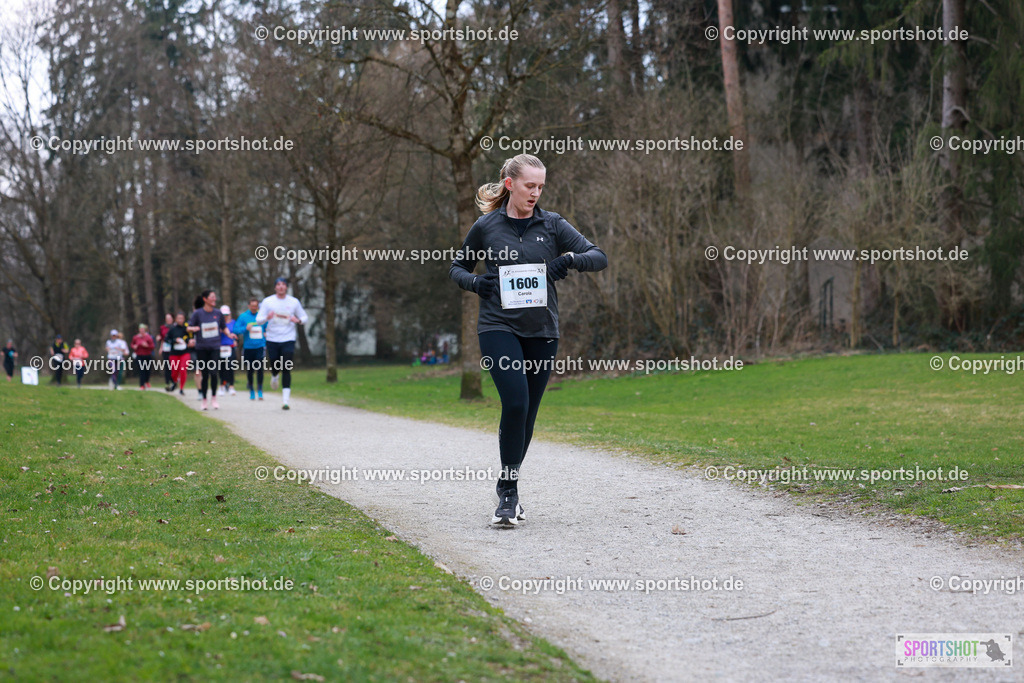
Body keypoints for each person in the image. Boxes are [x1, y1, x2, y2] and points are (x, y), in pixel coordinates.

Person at [449, 153, 607, 526]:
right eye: (529, 186)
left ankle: (509, 483)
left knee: (529, 414)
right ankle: (508, 496)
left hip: (542, 331)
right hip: (497, 326)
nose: (536, 193)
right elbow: (457, 267)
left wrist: (568, 260)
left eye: (540, 187)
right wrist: (476, 283)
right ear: (510, 185)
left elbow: (597, 256)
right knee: (516, 403)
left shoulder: (552, 225)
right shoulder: (486, 226)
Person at [256, 278, 308, 410]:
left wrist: (298, 320)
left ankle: (285, 401)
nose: (281, 287)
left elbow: (304, 317)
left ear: (286, 287)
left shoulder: (293, 302)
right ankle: (274, 375)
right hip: (272, 338)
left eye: (283, 285)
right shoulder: (268, 302)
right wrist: (267, 317)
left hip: (288, 338)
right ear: (275, 288)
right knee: (275, 364)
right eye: (278, 284)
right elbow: (258, 320)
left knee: (286, 367)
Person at [188, 291, 235, 410]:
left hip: (215, 347)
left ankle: (213, 397)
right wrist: (194, 328)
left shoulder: (218, 313)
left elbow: (223, 327)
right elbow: (188, 327)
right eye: (212, 297)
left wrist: (229, 335)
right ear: (205, 299)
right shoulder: (198, 314)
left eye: (215, 297)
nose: (215, 299)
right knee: (205, 375)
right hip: (202, 348)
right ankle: (204, 400)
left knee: (214, 373)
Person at [233, 297, 268, 400]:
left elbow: (268, 326)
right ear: (248, 306)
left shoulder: (261, 316)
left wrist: (266, 332)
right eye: (252, 306)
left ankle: (260, 390)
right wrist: (245, 329)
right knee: (250, 370)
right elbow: (235, 329)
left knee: (260, 369)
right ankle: (252, 390)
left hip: (260, 346)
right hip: (248, 348)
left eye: (256, 306)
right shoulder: (243, 316)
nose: (254, 308)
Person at [166, 312, 192, 395]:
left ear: (184, 319)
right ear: (176, 319)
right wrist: (174, 341)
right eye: (178, 318)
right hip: (174, 353)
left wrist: (188, 341)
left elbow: (191, 338)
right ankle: (174, 382)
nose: (180, 320)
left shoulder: (187, 328)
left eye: (182, 318)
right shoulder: (172, 329)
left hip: (185, 353)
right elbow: (167, 339)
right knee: (174, 372)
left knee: (183, 369)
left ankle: (181, 388)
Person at [218, 305, 237, 396]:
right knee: (222, 368)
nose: (225, 316)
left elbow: (236, 333)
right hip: (220, 347)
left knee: (230, 366)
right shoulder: (218, 323)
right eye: (223, 315)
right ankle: (222, 385)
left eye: (226, 314)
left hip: (230, 347)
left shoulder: (233, 322)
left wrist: (235, 340)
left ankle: (231, 386)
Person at [131, 324, 155, 389]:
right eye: (140, 329)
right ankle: (142, 385)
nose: (142, 330)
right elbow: (132, 344)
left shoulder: (148, 337)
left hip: (147, 355)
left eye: (143, 329)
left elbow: (152, 346)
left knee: (147, 370)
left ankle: (147, 381)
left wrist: (147, 346)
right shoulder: (136, 337)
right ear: (139, 330)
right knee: (142, 370)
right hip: (139, 356)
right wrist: (134, 346)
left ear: (145, 330)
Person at [158, 313, 174, 391]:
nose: (168, 319)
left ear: (172, 319)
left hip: (174, 348)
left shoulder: (175, 327)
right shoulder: (162, 327)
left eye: (170, 318)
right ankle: (167, 382)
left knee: (174, 366)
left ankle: (174, 381)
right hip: (165, 348)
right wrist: (161, 348)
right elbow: (162, 338)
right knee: (167, 366)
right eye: (167, 318)